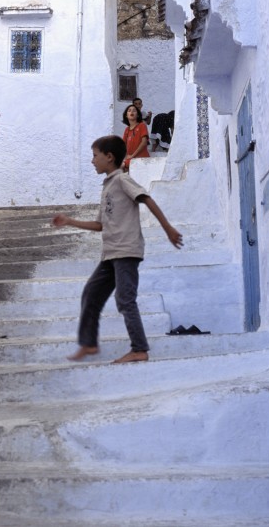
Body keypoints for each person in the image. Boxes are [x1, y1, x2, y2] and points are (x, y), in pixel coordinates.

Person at [51, 135, 183, 364]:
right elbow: (99, 225)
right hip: (110, 254)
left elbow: (147, 199)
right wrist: (70, 221)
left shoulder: (122, 180)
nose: (92, 161)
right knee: (91, 293)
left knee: (125, 300)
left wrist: (168, 229)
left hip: (126, 251)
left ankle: (139, 349)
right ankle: (89, 344)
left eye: (95, 156)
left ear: (109, 157)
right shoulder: (108, 186)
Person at [122, 104, 150, 172]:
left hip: (141, 159)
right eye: (129, 110)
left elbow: (144, 143)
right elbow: (123, 146)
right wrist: (125, 157)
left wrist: (132, 156)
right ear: (126, 115)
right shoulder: (127, 130)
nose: (131, 112)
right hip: (131, 160)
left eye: (134, 111)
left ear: (137, 115)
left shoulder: (142, 126)